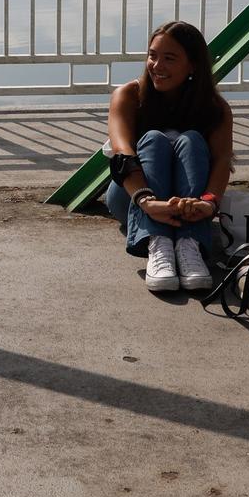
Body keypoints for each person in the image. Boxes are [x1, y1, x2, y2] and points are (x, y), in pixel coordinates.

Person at [103, 21, 233, 294]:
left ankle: (189, 246)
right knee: (153, 139)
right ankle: (158, 243)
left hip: (190, 199)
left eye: (169, 58)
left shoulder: (215, 108)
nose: (156, 65)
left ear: (193, 65)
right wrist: (147, 202)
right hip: (133, 196)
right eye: (153, 55)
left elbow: (222, 161)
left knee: (193, 140)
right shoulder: (128, 96)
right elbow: (122, 152)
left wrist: (208, 204)